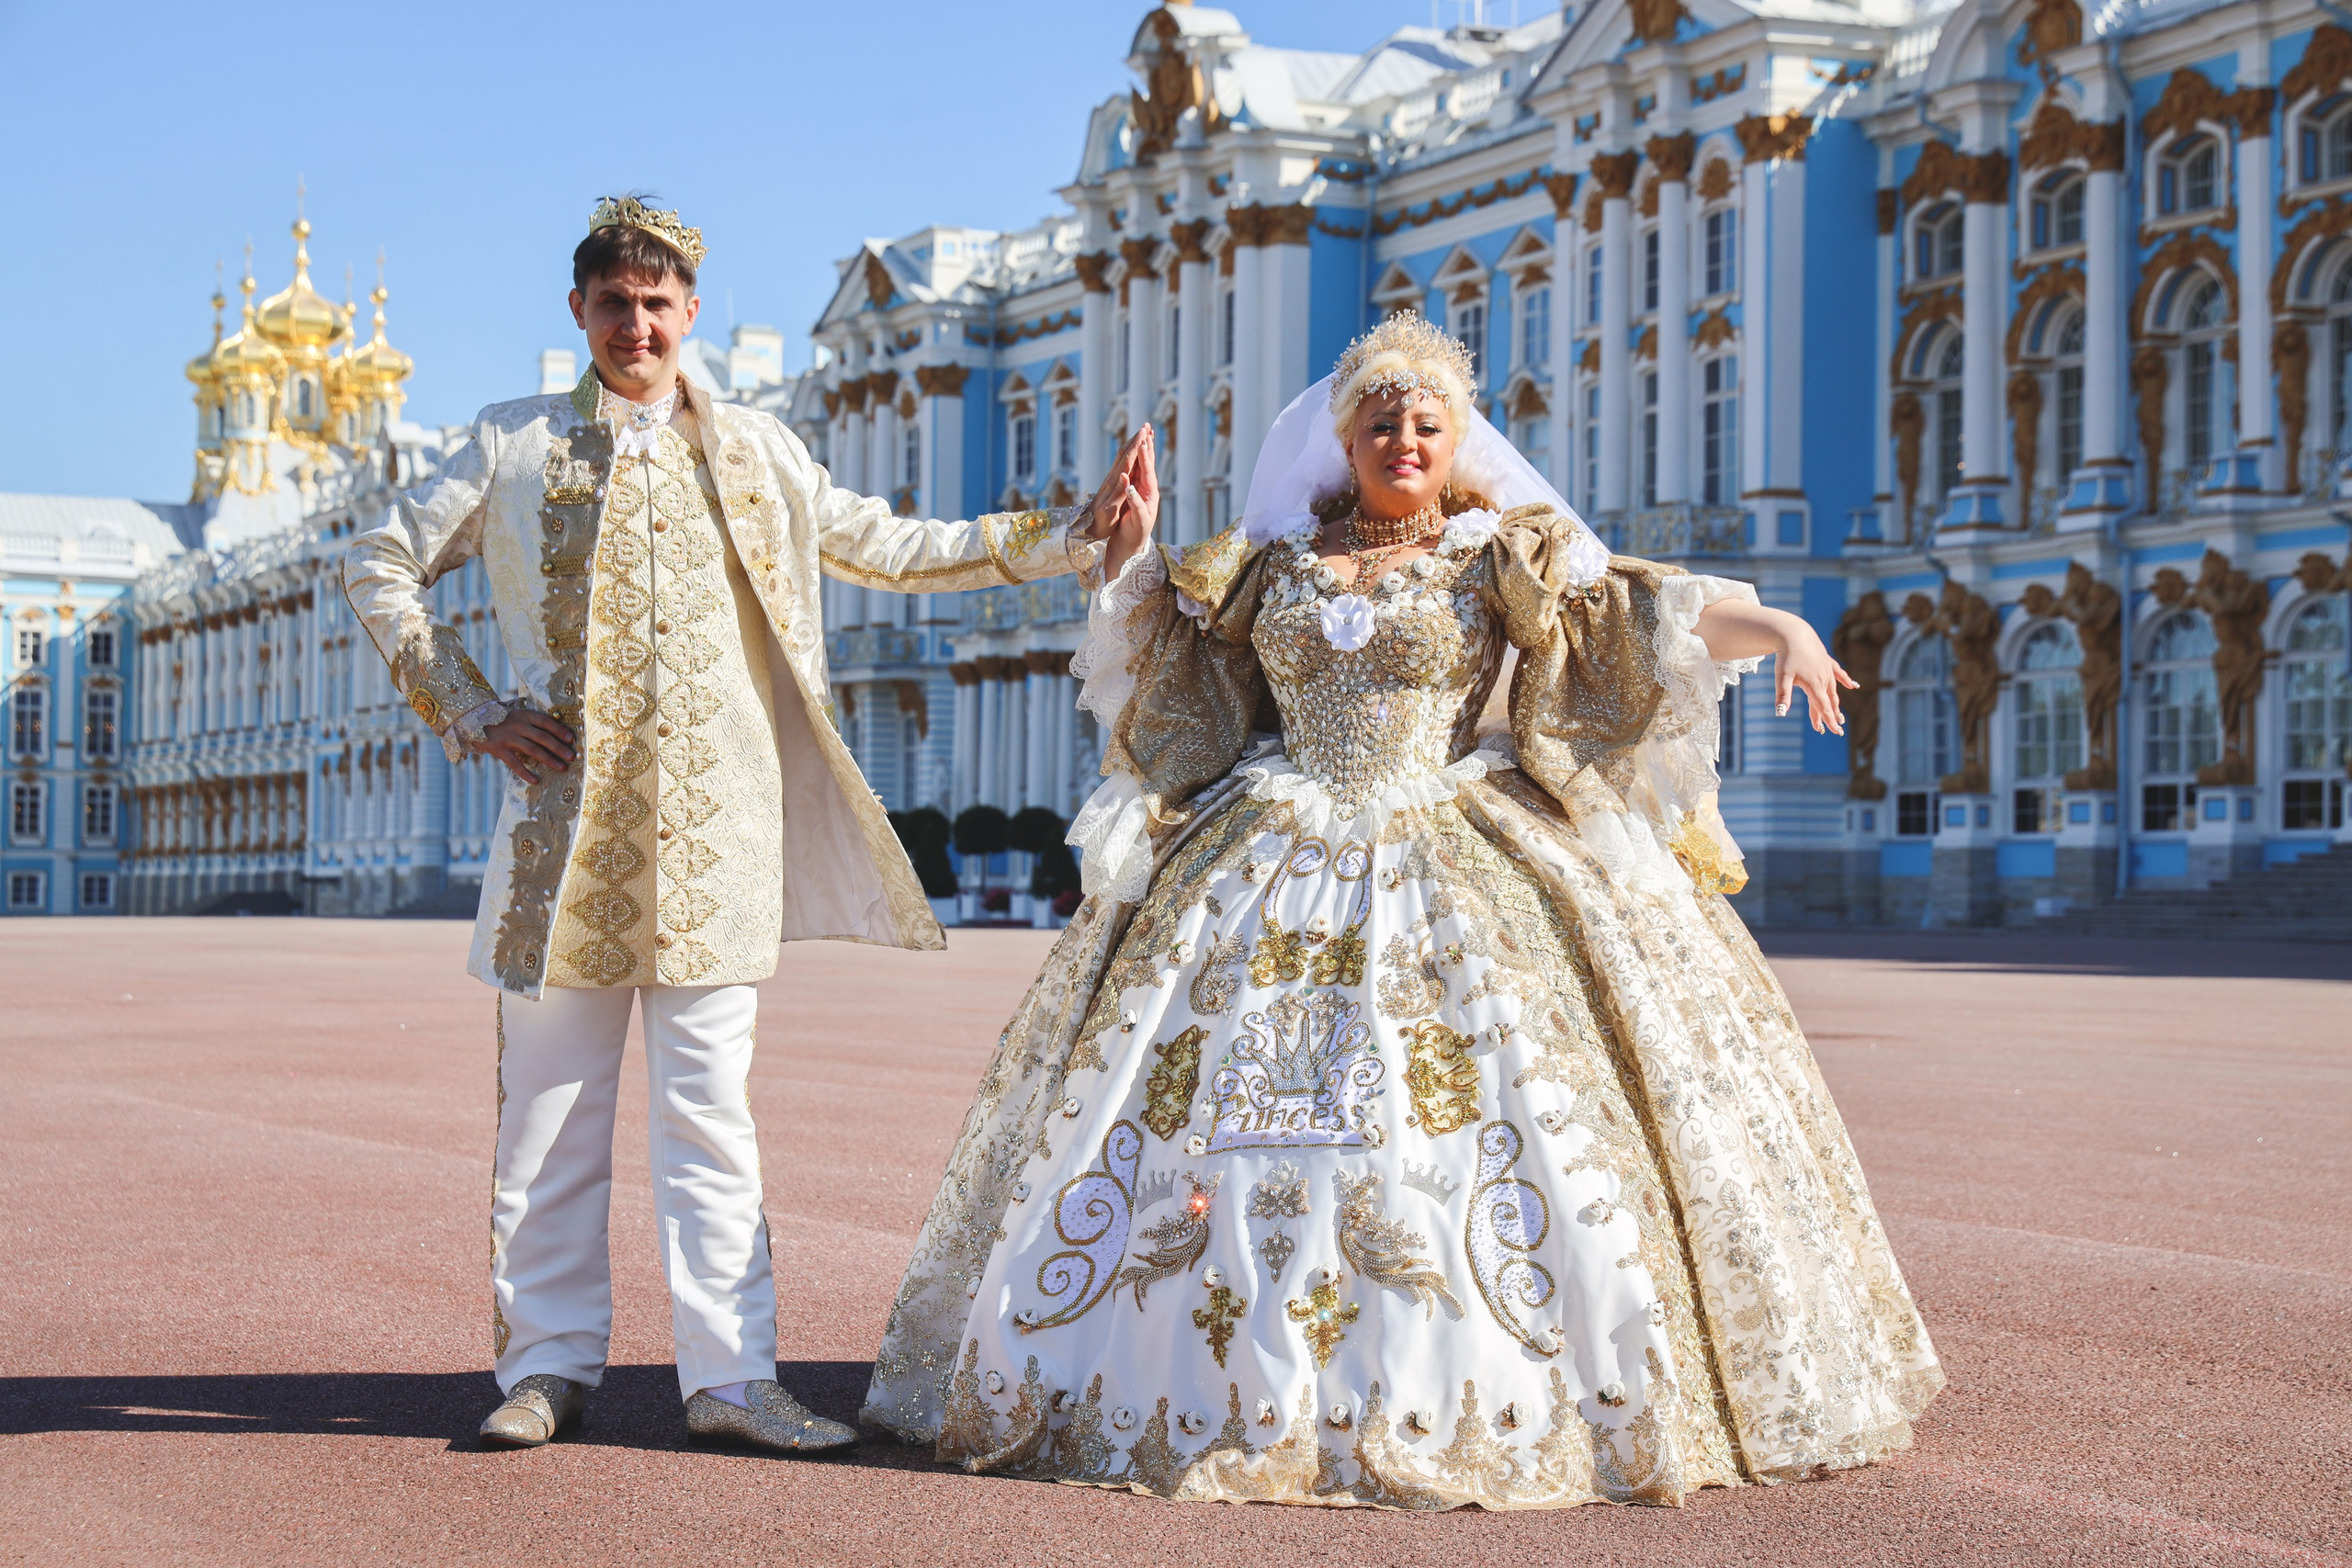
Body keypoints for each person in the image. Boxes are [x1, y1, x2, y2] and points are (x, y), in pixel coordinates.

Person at [862, 312, 1942, 1508]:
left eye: (1427, 422)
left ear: (1457, 437)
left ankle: (1444, 1382)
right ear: (1346, 441)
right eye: (1382, 423)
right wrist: (1131, 550)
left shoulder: (1504, 555)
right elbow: (1174, 670)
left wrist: (1783, 625)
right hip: (1265, 851)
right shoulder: (1267, 566)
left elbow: (1646, 612)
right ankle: (1219, 1379)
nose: (1405, 440)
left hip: (1453, 845)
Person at [343, 194, 1139, 1454]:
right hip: (561, 841)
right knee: (546, 1124)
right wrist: (470, 705)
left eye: (657, 305)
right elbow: (379, 559)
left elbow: (888, 545)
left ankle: (730, 1378)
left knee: (711, 1121)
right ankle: (544, 1371)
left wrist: (1069, 536)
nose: (638, 326)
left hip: (716, 842)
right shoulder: (508, 444)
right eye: (616, 304)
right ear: (579, 310)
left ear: (691, 312)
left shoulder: (757, 447)